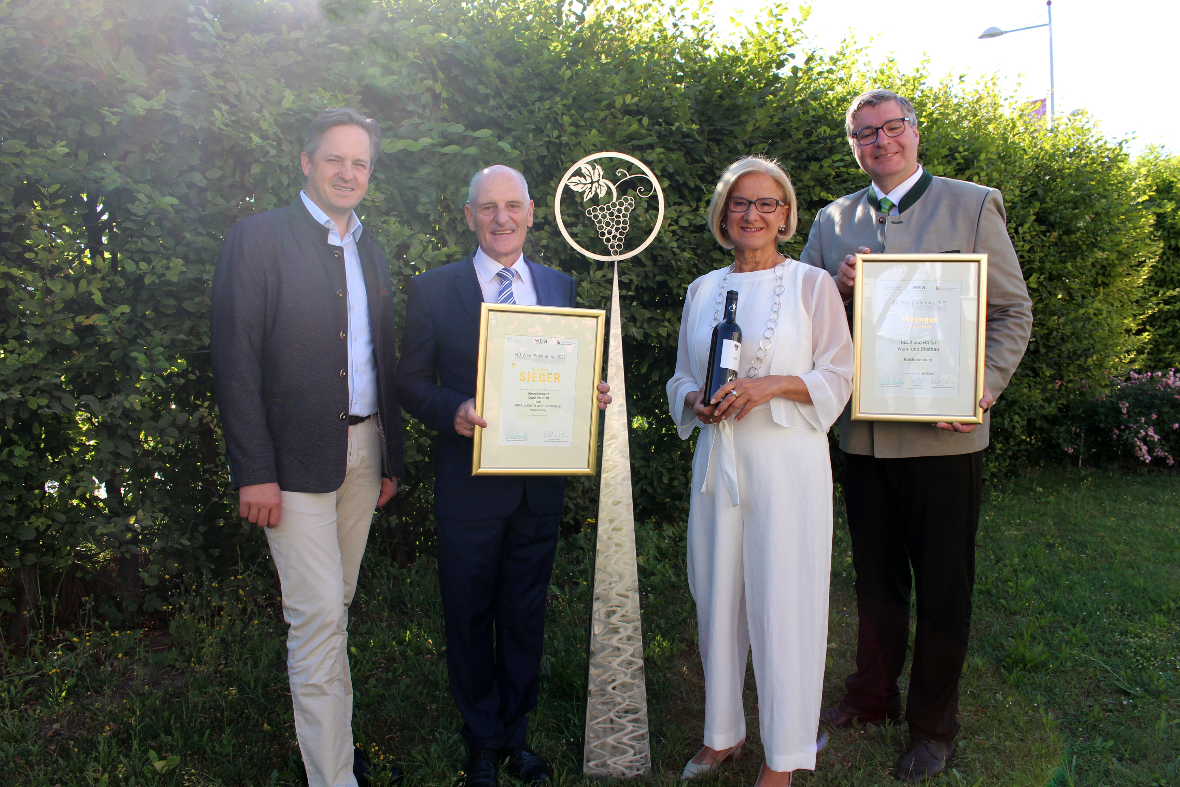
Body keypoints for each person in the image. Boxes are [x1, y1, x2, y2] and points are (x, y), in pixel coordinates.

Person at [800, 89, 1034, 782]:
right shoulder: (831, 219)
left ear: (915, 130)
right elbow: (806, 327)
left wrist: (983, 387)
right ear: (853, 145)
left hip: (943, 437)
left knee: (943, 584)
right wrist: (836, 290)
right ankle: (871, 696)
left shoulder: (972, 204)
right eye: (864, 133)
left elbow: (1012, 313)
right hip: (865, 438)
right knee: (874, 578)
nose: (881, 141)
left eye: (892, 127)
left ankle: (933, 725)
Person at [396, 165, 611, 787]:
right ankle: (482, 739)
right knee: (468, 612)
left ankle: (517, 736)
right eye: (487, 207)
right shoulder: (436, 290)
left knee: (524, 612)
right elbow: (409, 381)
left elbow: (564, 369)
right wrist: (452, 410)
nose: (501, 218)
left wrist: (585, 396)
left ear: (531, 212)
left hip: (538, 484)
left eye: (512, 206)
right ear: (470, 216)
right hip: (468, 482)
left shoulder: (559, 284)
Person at [211, 107, 404, 787]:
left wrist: (389, 458)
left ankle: (333, 754)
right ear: (306, 162)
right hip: (289, 467)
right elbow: (234, 361)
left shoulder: (368, 247)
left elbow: (381, 357)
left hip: (362, 456)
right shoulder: (258, 238)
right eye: (334, 159)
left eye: (360, 163)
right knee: (319, 615)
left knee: (332, 609)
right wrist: (254, 471)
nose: (347, 173)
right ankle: (333, 777)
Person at [666, 156, 854, 787]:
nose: (752, 214)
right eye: (740, 203)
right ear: (724, 214)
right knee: (716, 593)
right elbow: (682, 375)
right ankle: (723, 733)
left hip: (786, 463)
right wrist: (694, 399)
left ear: (786, 214)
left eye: (766, 204)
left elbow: (839, 374)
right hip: (718, 461)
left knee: (785, 599)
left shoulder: (812, 285)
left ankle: (787, 752)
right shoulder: (700, 289)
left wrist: (771, 385)